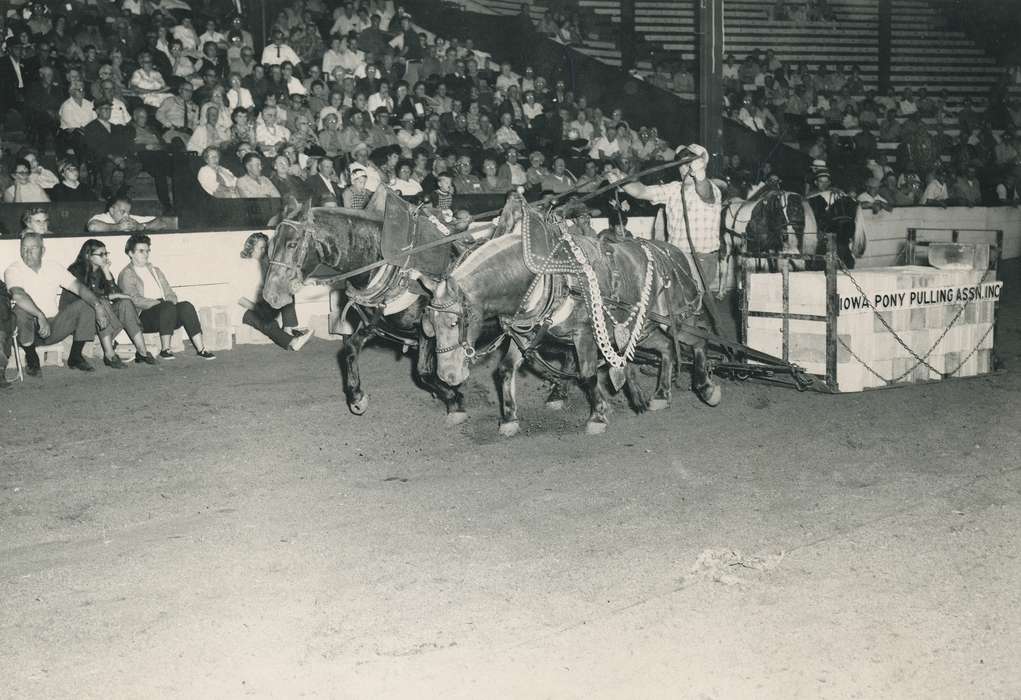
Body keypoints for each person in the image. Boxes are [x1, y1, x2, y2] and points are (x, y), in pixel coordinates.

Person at [614, 144, 723, 293]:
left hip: (701, 259)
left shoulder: (711, 188)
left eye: (688, 163)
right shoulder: (673, 188)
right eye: (681, 164)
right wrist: (621, 180)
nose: (684, 168)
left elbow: (706, 193)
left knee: (686, 304)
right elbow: (642, 191)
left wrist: (701, 175)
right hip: (675, 255)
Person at [4, 233, 111, 376]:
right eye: (24, 248)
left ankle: (75, 356)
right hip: (28, 330)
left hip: (54, 325)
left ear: (43, 250)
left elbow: (79, 288)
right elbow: (18, 295)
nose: (27, 252)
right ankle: (31, 358)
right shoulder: (13, 269)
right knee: (20, 309)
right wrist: (39, 315)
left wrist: (98, 306)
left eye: (33, 248)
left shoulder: (53, 267)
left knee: (86, 303)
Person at [117, 234, 215, 360]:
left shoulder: (155, 270)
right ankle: (165, 349)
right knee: (167, 307)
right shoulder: (126, 274)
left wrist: (171, 301)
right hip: (144, 316)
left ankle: (201, 349)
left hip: (165, 310)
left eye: (147, 251)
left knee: (186, 306)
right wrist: (161, 304)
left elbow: (169, 292)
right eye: (141, 251)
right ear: (130, 253)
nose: (146, 254)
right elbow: (135, 300)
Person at [63, 239, 157, 367]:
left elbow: (118, 296)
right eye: (101, 254)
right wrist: (110, 296)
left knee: (125, 303)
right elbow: (85, 297)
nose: (105, 257)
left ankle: (142, 352)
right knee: (103, 302)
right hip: (78, 320)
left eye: (106, 253)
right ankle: (110, 354)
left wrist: (107, 273)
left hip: (101, 319)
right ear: (88, 255)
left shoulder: (102, 271)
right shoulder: (76, 271)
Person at [236, 233, 314, 351]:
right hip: (246, 308)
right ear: (251, 247)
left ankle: (288, 329)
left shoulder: (264, 264)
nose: (264, 251)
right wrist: (258, 309)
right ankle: (293, 342)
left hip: (263, 303)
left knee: (287, 293)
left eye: (266, 248)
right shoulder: (242, 266)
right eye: (261, 248)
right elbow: (239, 299)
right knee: (265, 320)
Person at [87, 196, 157, 233]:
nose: (126, 216)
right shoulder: (103, 218)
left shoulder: (132, 220)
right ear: (111, 211)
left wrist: (141, 226)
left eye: (128, 212)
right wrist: (118, 227)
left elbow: (166, 222)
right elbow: (92, 227)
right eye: (122, 212)